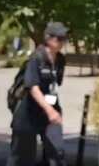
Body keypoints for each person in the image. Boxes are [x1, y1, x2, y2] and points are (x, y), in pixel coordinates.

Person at [8, 22, 68, 166]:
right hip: (28, 113)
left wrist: (53, 111)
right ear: (48, 38)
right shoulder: (36, 58)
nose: (62, 42)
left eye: (64, 39)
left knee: (57, 153)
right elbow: (33, 88)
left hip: (50, 112)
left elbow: (54, 85)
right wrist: (50, 111)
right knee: (22, 158)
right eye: (59, 38)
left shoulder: (60, 60)